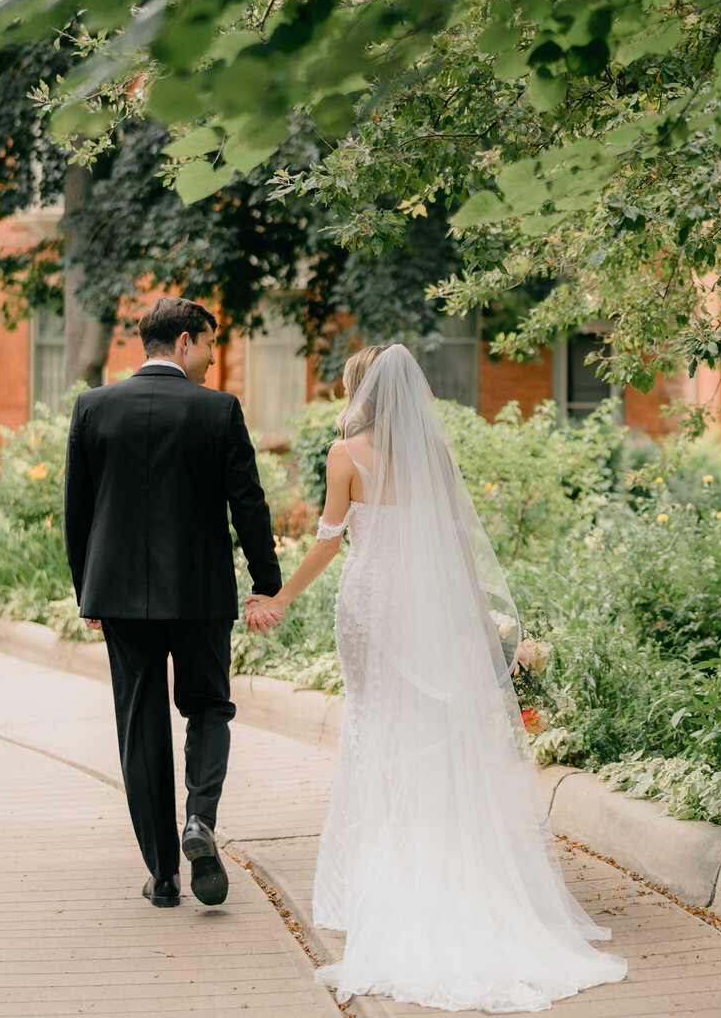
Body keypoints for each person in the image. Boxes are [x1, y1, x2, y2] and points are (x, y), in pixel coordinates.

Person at [247, 344, 626, 1012]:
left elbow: (330, 539)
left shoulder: (346, 454)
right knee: (423, 728)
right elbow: (454, 542)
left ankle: (377, 881)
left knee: (370, 726)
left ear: (362, 395)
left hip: (368, 606)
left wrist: (279, 596)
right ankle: (433, 863)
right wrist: (480, 621)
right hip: (422, 607)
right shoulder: (436, 457)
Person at [63, 297, 283, 910]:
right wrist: (266, 581)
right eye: (211, 345)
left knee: (140, 724)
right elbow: (249, 505)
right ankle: (199, 821)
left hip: (120, 595)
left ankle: (162, 875)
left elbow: (77, 512)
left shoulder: (93, 407)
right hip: (201, 592)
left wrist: (89, 592)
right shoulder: (218, 411)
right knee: (209, 706)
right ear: (185, 342)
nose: (213, 360)